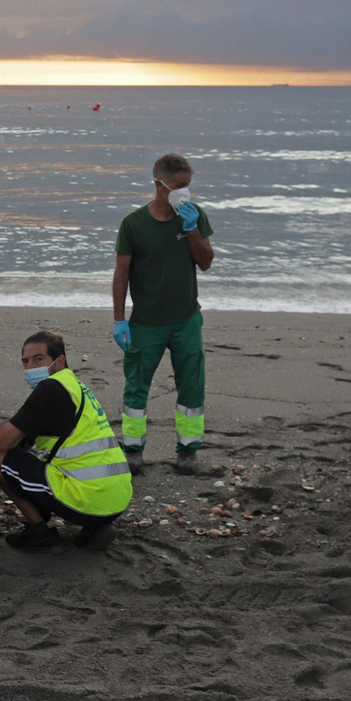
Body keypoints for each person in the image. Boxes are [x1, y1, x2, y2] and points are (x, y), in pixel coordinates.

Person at [0, 331, 133, 554]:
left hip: (85, 497)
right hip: (117, 498)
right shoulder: (75, 387)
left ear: (59, 361)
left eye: (38, 359)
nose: (30, 367)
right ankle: (96, 527)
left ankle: (40, 533)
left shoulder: (50, 388)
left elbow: (2, 443)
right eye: (25, 361)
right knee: (32, 458)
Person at [112, 152, 214, 475]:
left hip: (186, 319)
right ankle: (133, 449)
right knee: (136, 386)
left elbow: (206, 261)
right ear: (159, 185)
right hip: (146, 323)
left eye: (188, 185)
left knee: (192, 386)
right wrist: (119, 319)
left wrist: (193, 230)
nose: (185, 192)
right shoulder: (133, 224)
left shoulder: (194, 214)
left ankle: (188, 450)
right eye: (179, 185)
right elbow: (121, 273)